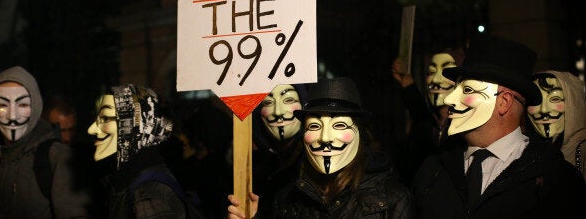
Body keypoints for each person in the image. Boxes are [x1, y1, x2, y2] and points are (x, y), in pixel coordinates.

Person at [413, 34, 585, 218]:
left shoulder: (557, 180)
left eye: (467, 90)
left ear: (504, 101)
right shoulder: (432, 171)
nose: (449, 99)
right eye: (455, 88)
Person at [229, 77, 413, 218]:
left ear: (360, 132)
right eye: (314, 126)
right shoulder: (286, 201)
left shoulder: (392, 200)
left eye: (339, 125)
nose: (325, 138)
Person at [0, 66, 90, 218]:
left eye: (22, 105)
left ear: (35, 107)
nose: (12, 116)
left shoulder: (56, 156)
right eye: (2, 105)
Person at [87, 84, 189, 218]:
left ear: (136, 126)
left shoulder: (147, 194)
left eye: (105, 118)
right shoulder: (130, 179)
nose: (92, 129)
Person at [391, 49, 464, 185]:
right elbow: (419, 111)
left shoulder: (467, 128)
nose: (436, 79)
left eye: (446, 71)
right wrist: (406, 81)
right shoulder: (426, 123)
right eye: (431, 72)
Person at [251, 84, 307, 215]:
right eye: (268, 102)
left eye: (288, 100)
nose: (278, 112)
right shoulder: (256, 168)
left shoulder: (315, 162)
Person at [527, 70, 586, 180]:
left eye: (555, 99)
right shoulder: (526, 155)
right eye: (535, 101)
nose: (544, 110)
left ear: (574, 102)